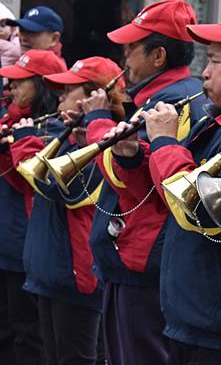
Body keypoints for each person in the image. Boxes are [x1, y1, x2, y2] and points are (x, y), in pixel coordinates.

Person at [111, 11, 221, 365]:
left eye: (214, 61)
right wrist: (132, 156)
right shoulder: (215, 118)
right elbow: (162, 194)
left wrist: (163, 143)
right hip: (192, 313)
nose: (204, 73)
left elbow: (197, 206)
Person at [78, 0, 203, 365]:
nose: (124, 59)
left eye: (132, 48)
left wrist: (99, 122)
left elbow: (130, 177)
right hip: (134, 260)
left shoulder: (171, 103)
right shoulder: (156, 99)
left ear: (159, 56)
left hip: (144, 262)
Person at [6, 57, 127, 365]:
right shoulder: (72, 133)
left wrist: (24, 145)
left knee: (76, 358)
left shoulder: (107, 139)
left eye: (67, 90)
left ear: (93, 96)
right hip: (49, 272)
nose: (59, 96)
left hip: (75, 277)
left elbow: (68, 191)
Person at [0, 49, 66, 365]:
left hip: (23, 247)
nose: (10, 88)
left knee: (26, 332)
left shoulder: (52, 128)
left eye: (19, 83)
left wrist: (14, 145)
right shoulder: (13, 119)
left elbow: (32, 182)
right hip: (8, 244)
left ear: (42, 86)